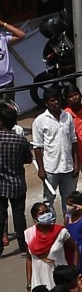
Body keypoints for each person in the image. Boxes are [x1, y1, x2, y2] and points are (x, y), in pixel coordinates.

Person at [0, 110, 28, 258]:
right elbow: (28, 159)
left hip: (0, 185)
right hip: (17, 183)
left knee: (0, 215)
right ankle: (23, 246)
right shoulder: (20, 140)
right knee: (19, 216)